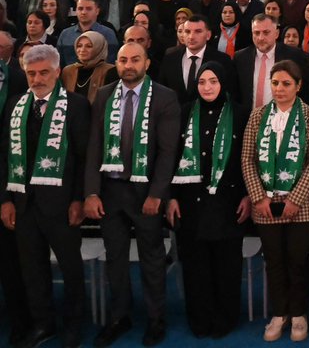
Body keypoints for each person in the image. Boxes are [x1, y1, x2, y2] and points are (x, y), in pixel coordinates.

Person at [83, 42, 181, 348]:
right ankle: (119, 316)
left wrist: (157, 194)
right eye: (123, 59)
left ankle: (155, 319)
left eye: (135, 60)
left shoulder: (164, 97)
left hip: (145, 193)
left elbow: (168, 153)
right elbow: (94, 147)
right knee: (115, 258)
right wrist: (90, 192)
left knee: (152, 259)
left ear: (147, 63)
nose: (128, 65)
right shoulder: (103, 94)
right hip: (110, 192)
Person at [0, 45, 91, 348]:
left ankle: (75, 323)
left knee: (70, 266)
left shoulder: (76, 106)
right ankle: (43, 323)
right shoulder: (15, 104)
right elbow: (3, 156)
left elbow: (82, 156)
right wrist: (5, 200)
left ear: (57, 72)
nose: (37, 79)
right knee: (32, 269)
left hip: (62, 204)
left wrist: (79, 198)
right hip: (23, 204)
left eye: (43, 73)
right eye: (31, 73)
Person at [241, 59, 309, 342]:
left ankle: (299, 313)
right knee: (274, 261)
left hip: (301, 206)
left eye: (286, 84)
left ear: (299, 86)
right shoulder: (257, 116)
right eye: (275, 83)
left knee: (297, 261)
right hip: (265, 204)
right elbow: (247, 160)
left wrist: (296, 198)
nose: (279, 89)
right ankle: (280, 313)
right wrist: (257, 196)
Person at [166, 61, 251, 338]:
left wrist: (249, 196)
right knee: (195, 266)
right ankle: (199, 319)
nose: (207, 87)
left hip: (228, 202)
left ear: (223, 82)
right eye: (202, 82)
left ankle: (225, 318)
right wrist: (172, 197)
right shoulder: (184, 112)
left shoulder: (240, 114)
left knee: (226, 266)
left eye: (213, 81)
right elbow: (172, 156)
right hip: (191, 203)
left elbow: (248, 160)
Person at [60, 29, 116, 103]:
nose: (82, 50)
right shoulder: (68, 71)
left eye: (89, 46)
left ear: (99, 48)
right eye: (79, 46)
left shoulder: (110, 70)